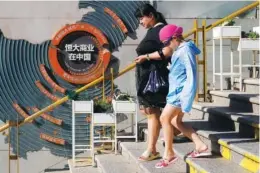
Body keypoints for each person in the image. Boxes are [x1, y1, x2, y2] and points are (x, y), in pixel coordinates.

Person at [135, 24, 210, 168]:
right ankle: (200, 146)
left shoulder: (185, 49)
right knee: (175, 122)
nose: (166, 45)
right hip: (176, 92)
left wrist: (187, 96)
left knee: (164, 118)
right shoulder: (180, 50)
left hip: (180, 93)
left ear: (175, 38)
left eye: (167, 42)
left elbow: (192, 73)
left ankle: (169, 154)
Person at [134, 3, 169, 161]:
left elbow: (168, 51)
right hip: (147, 76)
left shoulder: (161, 29)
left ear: (151, 15)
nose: (140, 21)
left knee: (152, 111)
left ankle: (152, 149)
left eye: (142, 17)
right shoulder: (153, 31)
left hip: (153, 76)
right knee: (150, 111)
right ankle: (169, 135)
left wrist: (146, 57)